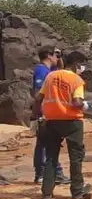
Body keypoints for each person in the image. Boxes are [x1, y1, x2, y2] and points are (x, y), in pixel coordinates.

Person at [32, 51, 92, 199]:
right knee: (76, 157)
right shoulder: (76, 80)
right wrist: (86, 106)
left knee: (51, 156)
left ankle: (47, 192)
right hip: (72, 122)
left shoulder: (51, 76)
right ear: (77, 64)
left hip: (51, 120)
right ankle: (77, 192)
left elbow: (39, 98)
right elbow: (77, 102)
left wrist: (37, 117)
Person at [30, 46, 69, 184]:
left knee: (47, 143)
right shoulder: (41, 71)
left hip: (48, 112)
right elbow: (38, 94)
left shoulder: (49, 71)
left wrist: (59, 56)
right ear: (48, 55)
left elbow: (61, 69)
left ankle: (48, 172)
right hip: (45, 114)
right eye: (56, 55)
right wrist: (40, 114)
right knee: (46, 143)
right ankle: (46, 173)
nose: (58, 58)